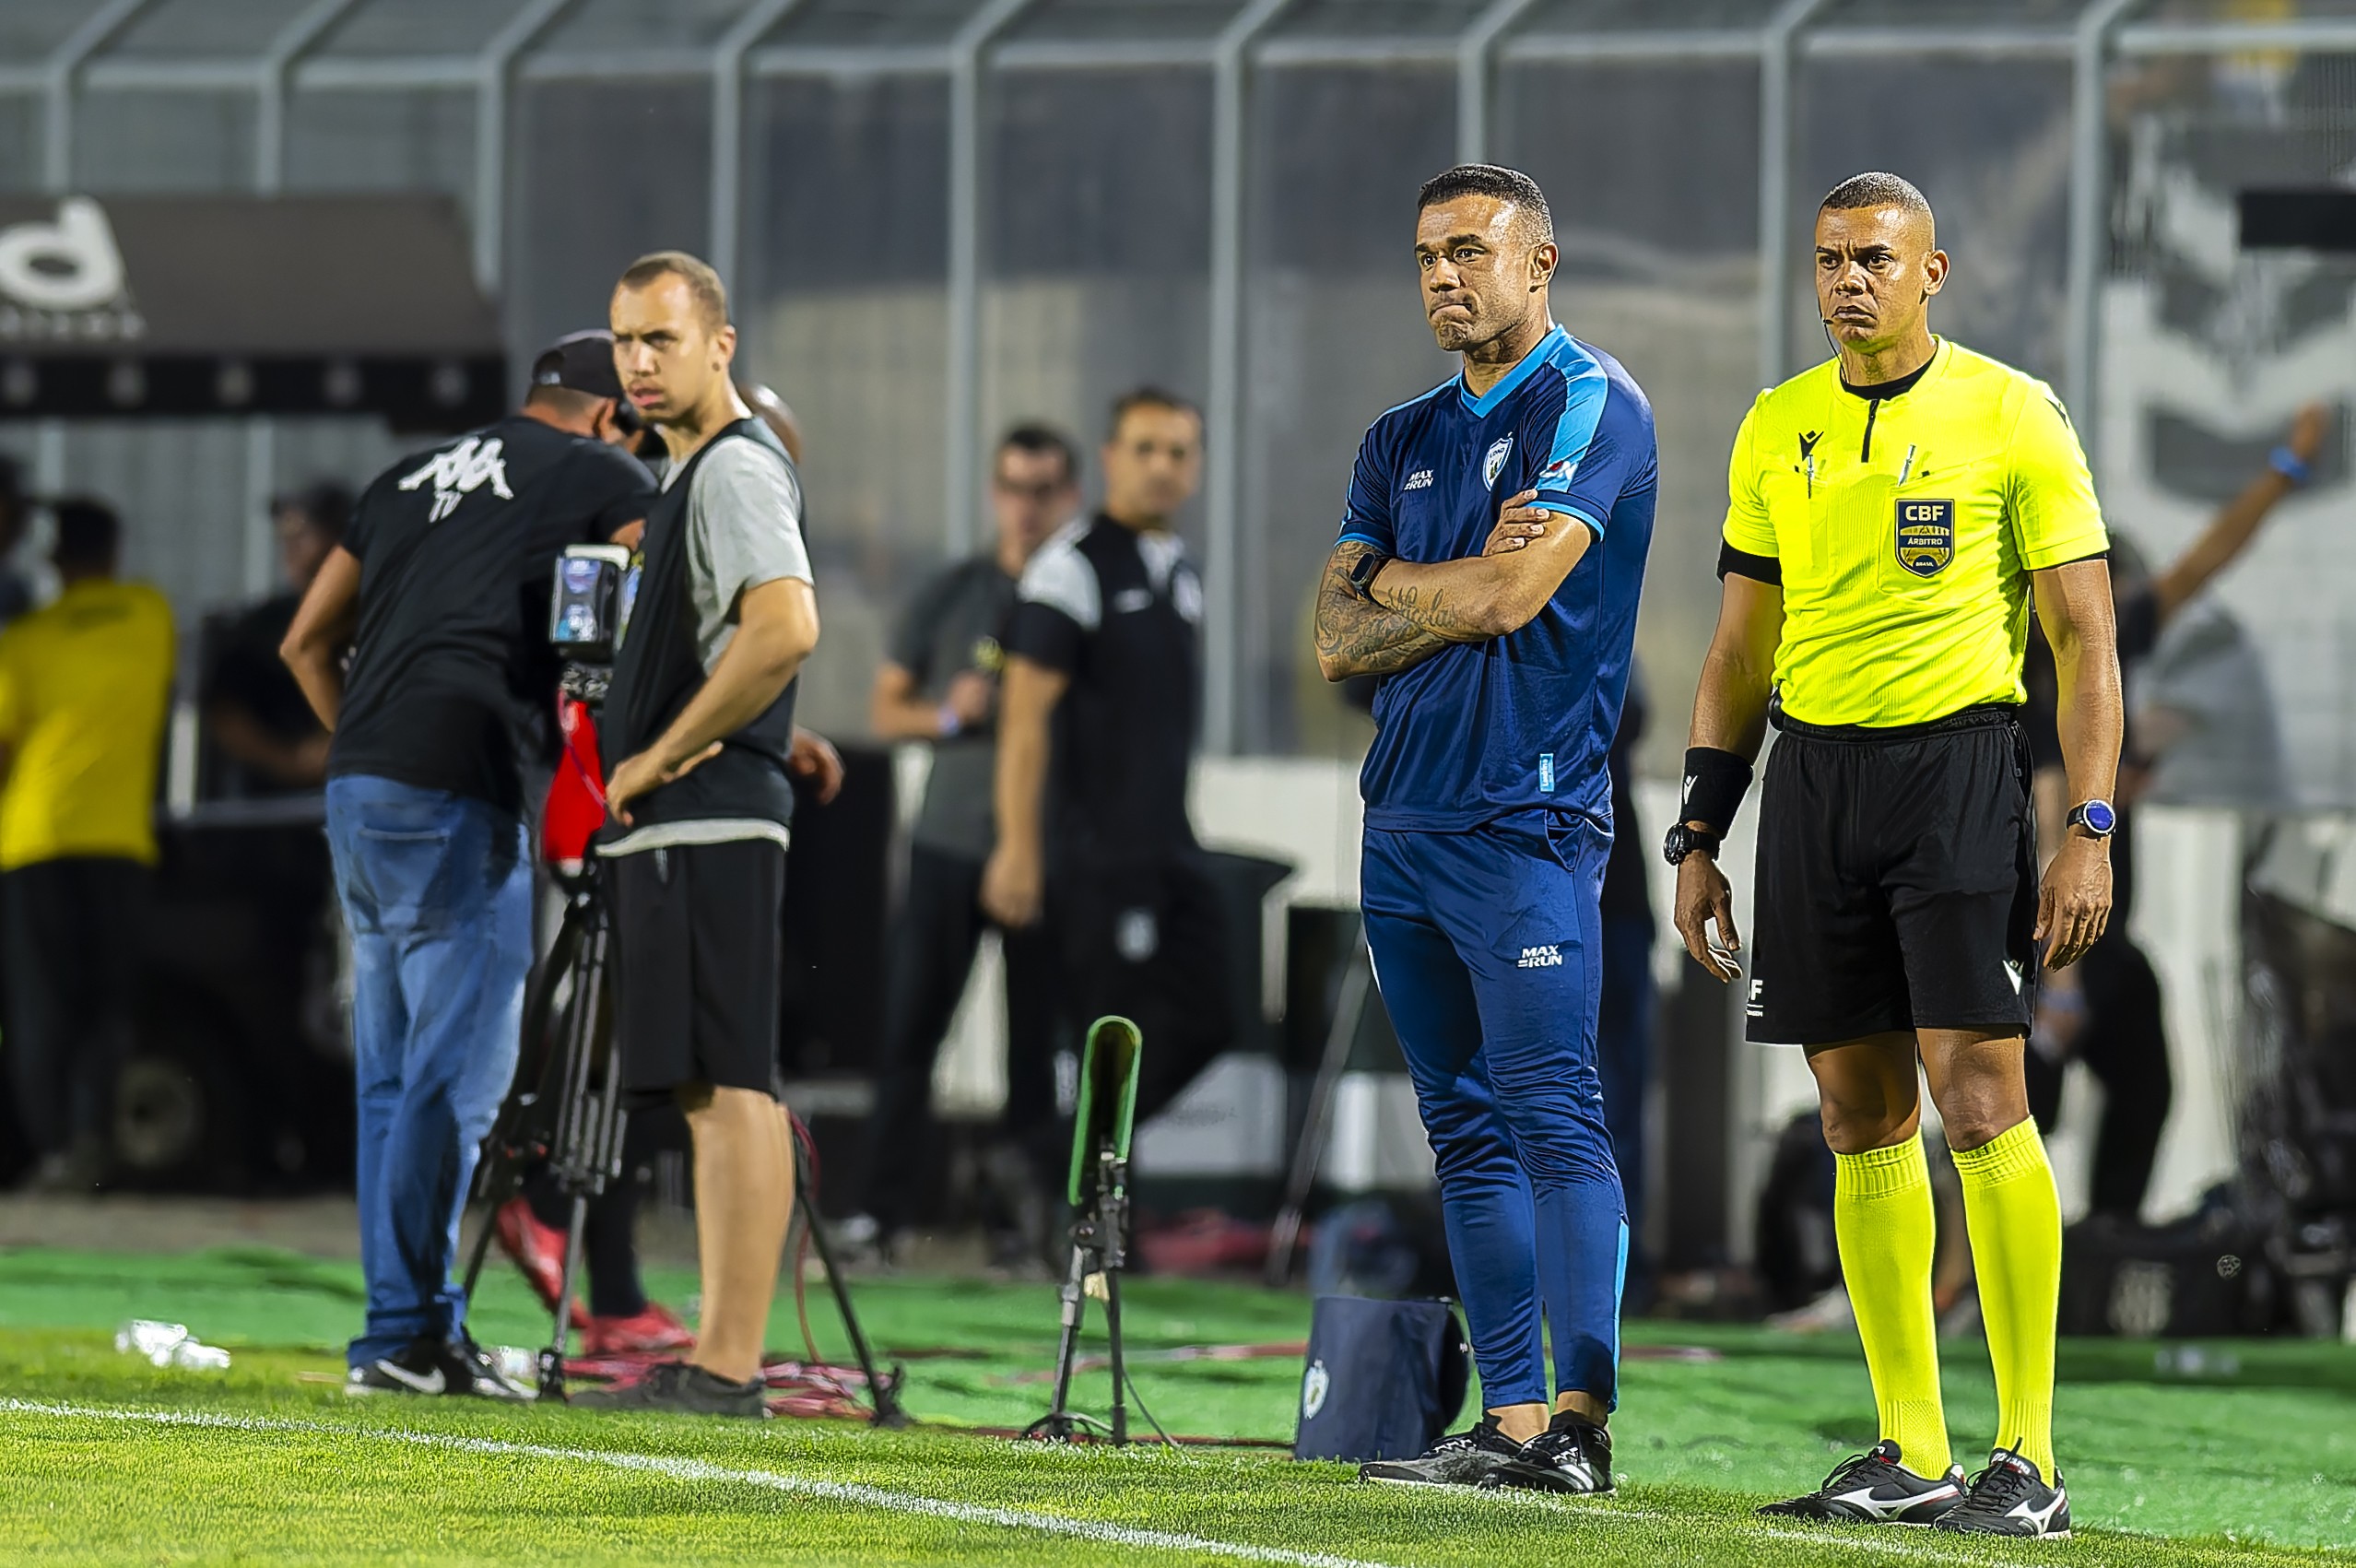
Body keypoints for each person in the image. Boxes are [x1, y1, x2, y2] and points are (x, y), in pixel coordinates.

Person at [1670, 172, 2121, 1538]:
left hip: (1957, 776)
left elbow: (2087, 644)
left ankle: (2028, 1460)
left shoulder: (2011, 412)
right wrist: (1700, 831)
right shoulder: (1776, 425)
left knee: (1980, 1098)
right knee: (1857, 1113)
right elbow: (1742, 648)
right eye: (1828, 260)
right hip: (1812, 783)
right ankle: (1909, 1446)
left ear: (1934, 274)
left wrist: (2087, 827)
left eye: (1874, 258)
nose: (1847, 281)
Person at [1310, 163, 1657, 1497]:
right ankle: (1509, 1422)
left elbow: (1518, 599)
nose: (1444, 276)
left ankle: (1581, 1425)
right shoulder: (1397, 437)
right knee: (1459, 1128)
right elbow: (1336, 637)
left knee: (1554, 1116)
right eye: (1425, 256)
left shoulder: (1592, 401)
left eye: (1470, 249)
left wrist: (1401, 578)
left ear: (1541, 263)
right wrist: (1431, 582)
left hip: (1529, 821)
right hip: (1401, 823)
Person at [280, 332, 659, 1399]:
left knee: (395, 1078)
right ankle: (408, 1332)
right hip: (461, 782)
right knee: (458, 1081)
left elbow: (307, 642)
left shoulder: (404, 476)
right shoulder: (598, 469)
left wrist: (367, 740)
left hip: (362, 787)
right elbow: (661, 587)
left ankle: (404, 1333)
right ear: (603, 413)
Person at [577, 250, 843, 1417]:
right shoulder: (690, 471)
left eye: (662, 341)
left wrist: (666, 751)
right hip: (693, 817)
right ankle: (716, 1359)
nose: (638, 362)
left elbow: (784, 629)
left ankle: (727, 1366)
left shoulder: (736, 468)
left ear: (720, 346)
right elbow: (738, 643)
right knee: (707, 1088)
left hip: (705, 817)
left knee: (732, 1084)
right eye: (625, 341)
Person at [2022, 403, 2328, 1220]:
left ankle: (2107, 1256)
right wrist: (2060, 987)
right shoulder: (2016, 667)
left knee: (2144, 1085)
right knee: (2005, 1121)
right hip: (2028, 944)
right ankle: (1961, 1289)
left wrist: (2286, 468)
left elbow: (2205, 561)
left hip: (2102, 936)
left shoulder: (2109, 645)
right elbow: (2053, 804)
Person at [849, 423, 1078, 1258]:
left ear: (1069, 497)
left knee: (1035, 1050)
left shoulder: (1075, 594)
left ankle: (1020, 1228)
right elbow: (885, 710)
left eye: (1044, 489)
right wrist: (950, 714)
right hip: (949, 842)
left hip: (1042, 853)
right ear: (995, 494)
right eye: (1015, 488)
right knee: (912, 1034)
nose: (1028, 506)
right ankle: (882, 1215)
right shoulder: (954, 592)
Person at [982, 389, 1231, 1155]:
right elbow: (1022, 722)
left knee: (1214, 1016)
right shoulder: (1070, 569)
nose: (1162, 467)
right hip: (1089, 858)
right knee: (1106, 1045)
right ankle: (1094, 1223)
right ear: (1111, 459)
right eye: (1145, 449)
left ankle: (1042, 1161)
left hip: (1164, 844)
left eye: (1178, 453)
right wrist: (1018, 849)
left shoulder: (1178, 572)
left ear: (1195, 468)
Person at [0, 500, 174, 1190]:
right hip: (118, 840)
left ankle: (52, 1152)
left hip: (33, 837)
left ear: (53, 560)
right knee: (106, 1002)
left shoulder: (25, 639)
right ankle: (90, 1137)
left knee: (40, 1005)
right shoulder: (149, 615)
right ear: (113, 552)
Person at [201, 482, 352, 796]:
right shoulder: (263, 624)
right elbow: (226, 711)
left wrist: (346, 744)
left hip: (363, 803)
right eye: (286, 536)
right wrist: (289, 761)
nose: (290, 547)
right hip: (273, 814)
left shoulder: (385, 615)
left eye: (304, 533)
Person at [1596, 665, 1655, 1310]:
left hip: (1614, 903)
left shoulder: (1600, 604)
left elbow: (1630, 713)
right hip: (1522, 890)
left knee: (1616, 1101)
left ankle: (1620, 1275)